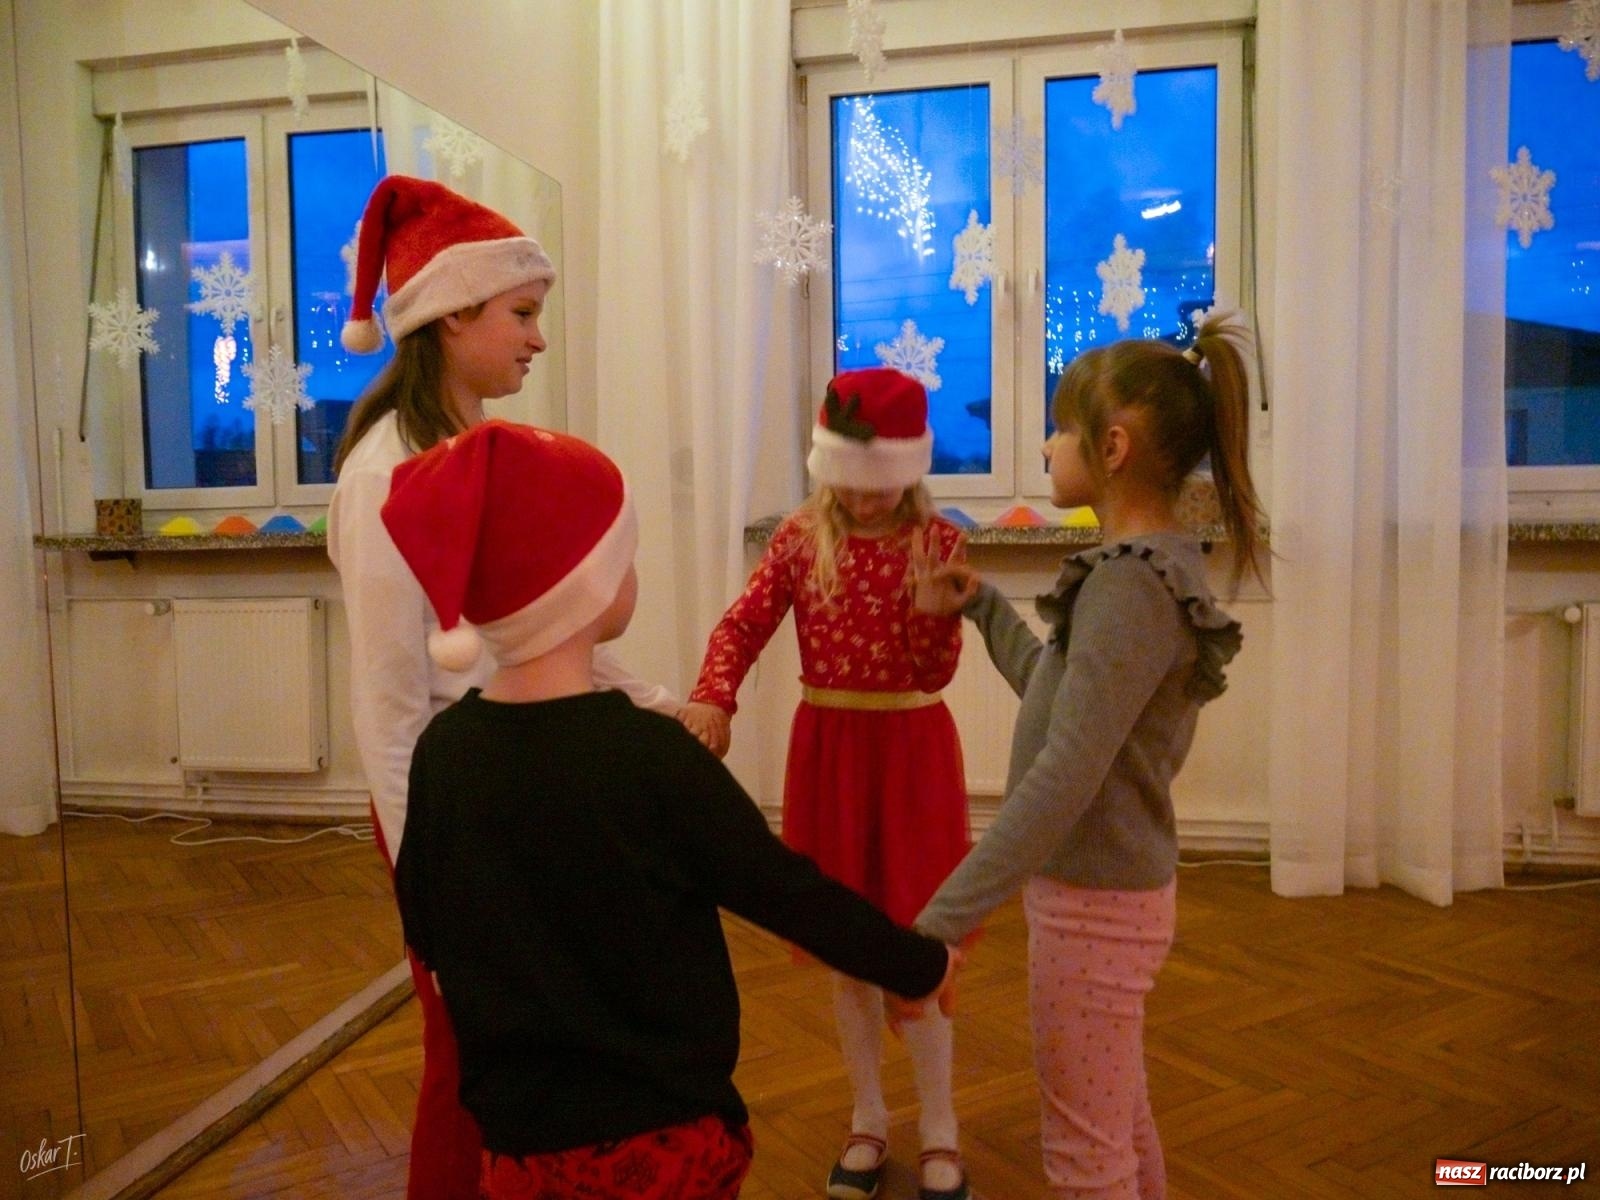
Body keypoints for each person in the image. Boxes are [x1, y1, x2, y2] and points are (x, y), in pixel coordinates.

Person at [379, 419, 961, 1200]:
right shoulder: (653, 760)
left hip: (517, 1146)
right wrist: (922, 963)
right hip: (665, 1142)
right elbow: (785, 893)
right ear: (590, 584)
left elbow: (427, 924)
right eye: (624, 557)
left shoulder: (443, 751)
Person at [326, 175, 680, 1200]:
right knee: (467, 1057)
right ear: (449, 318)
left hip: (515, 789)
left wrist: (647, 704)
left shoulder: (483, 453)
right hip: (447, 812)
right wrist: (423, 888)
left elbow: (536, 629)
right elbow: (390, 710)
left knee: (521, 1046)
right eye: (521, 315)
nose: (536, 340)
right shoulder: (382, 479)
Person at [908, 308, 1264, 1200]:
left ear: (1110, 446)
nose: (1044, 444)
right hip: (1106, 898)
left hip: (1095, 909)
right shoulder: (1145, 571)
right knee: (1116, 1115)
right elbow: (1062, 702)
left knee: (1082, 1150)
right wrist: (986, 607)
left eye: (1060, 428)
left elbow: (1064, 772)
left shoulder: (1127, 585)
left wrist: (942, 922)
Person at [679, 367, 975, 1200]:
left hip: (912, 757)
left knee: (922, 942)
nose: (866, 500)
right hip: (830, 758)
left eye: (881, 484)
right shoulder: (801, 539)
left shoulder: (940, 543)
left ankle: (942, 1125)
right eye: (849, 481)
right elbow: (744, 622)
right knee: (848, 948)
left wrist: (932, 615)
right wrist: (713, 695)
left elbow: (935, 670)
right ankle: (868, 1116)